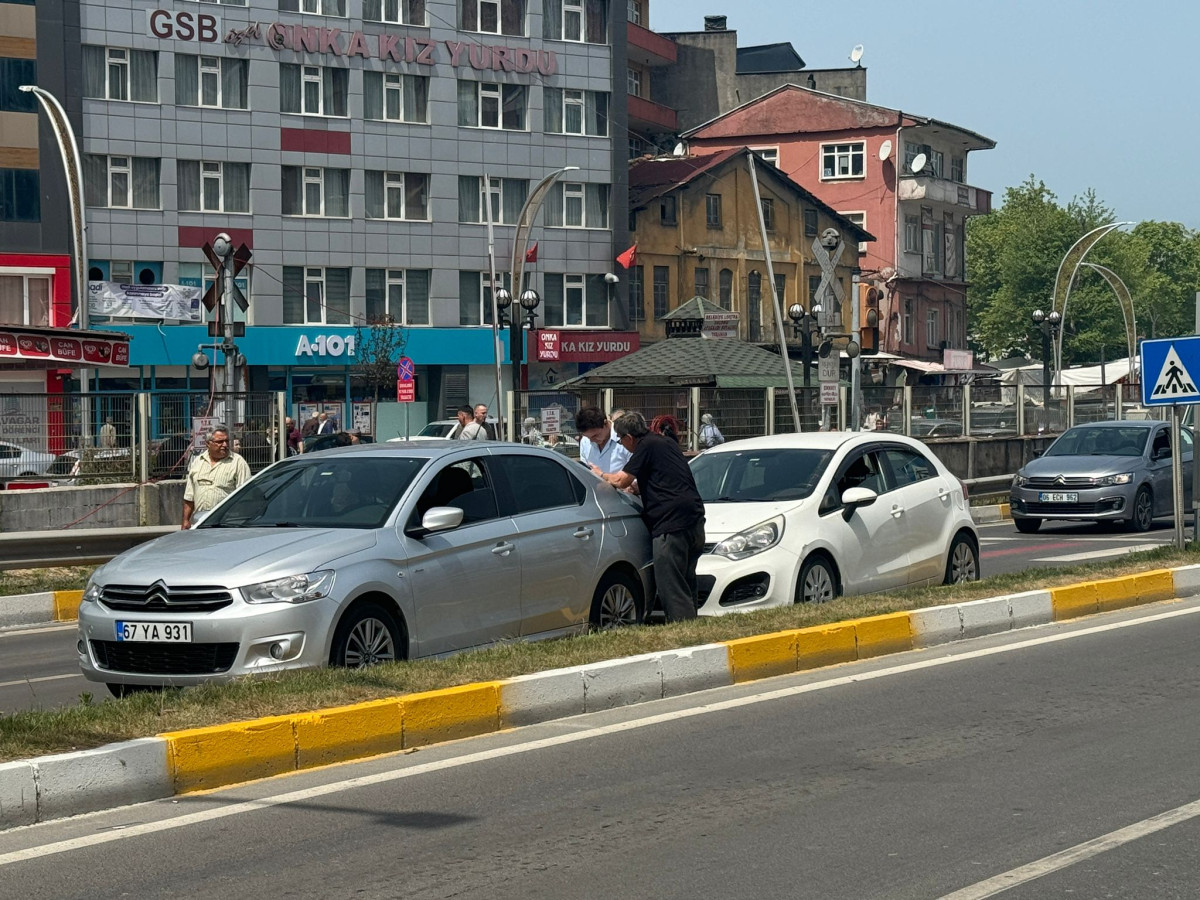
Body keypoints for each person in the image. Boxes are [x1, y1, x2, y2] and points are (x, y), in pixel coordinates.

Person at [601, 412, 706, 622]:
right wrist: (640, 489)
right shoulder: (665, 443)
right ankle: (692, 624)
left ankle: (681, 628)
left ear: (629, 437)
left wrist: (597, 473)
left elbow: (620, 480)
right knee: (686, 579)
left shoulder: (645, 446)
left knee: (670, 582)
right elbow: (665, 477)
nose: (621, 445)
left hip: (670, 524)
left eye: (621, 440)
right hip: (694, 520)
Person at [181, 425, 251, 530]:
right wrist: (186, 520)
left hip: (226, 522)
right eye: (220, 442)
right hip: (200, 521)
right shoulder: (198, 462)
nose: (225, 445)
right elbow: (189, 496)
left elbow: (245, 496)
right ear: (208, 444)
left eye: (227, 441)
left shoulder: (238, 462)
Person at [575, 406, 631, 475]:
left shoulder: (625, 439)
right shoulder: (585, 441)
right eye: (588, 437)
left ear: (606, 423)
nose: (591, 441)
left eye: (595, 435)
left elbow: (636, 477)